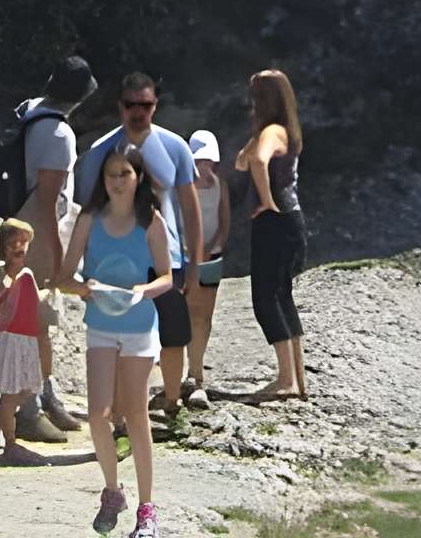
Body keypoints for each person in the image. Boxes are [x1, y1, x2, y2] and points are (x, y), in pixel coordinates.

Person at [72, 72, 205, 419]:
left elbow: (190, 209)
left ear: (155, 105)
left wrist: (194, 264)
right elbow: (88, 209)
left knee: (173, 333)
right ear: (121, 106)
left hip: (167, 255)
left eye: (145, 105)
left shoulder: (175, 147)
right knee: (119, 337)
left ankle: (172, 403)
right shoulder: (101, 152)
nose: (138, 112)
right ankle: (119, 415)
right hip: (116, 259)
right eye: (131, 105)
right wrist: (82, 269)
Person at [60, 138, 175, 535]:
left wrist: (143, 290)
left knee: (137, 414)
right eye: (111, 174)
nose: (117, 181)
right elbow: (63, 277)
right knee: (98, 414)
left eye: (125, 173)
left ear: (138, 176)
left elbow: (167, 277)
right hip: (101, 324)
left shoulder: (151, 221)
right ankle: (112, 491)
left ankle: (147, 509)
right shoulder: (90, 219)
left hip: (139, 326)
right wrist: (83, 288)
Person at [14, 56, 95, 440]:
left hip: (23, 218)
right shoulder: (60, 135)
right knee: (32, 321)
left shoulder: (32, 109)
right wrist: (59, 257)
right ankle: (27, 409)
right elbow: (48, 199)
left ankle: (46, 395)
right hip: (40, 228)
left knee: (40, 321)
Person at [231, 67, 307, 405]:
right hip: (291, 219)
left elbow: (257, 162)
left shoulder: (271, 131)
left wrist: (265, 201)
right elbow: (241, 162)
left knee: (265, 298)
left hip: (274, 220)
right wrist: (253, 142)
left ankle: (285, 380)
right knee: (282, 295)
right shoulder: (282, 131)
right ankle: (297, 379)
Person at [0, 219, 45, 460]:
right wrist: (5, 288)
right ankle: (10, 442)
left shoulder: (29, 272)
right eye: (14, 242)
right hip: (11, 339)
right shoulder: (1, 273)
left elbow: (33, 301)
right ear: (3, 247)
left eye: (24, 242)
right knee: (11, 393)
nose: (20, 247)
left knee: (24, 390)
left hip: (28, 338)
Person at [181, 129, 228, 406]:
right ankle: (181, 375)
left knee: (203, 317)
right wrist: (191, 247)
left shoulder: (220, 185)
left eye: (208, 160)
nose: (204, 165)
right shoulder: (182, 185)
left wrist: (210, 246)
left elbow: (225, 220)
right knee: (185, 314)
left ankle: (196, 375)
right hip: (185, 256)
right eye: (199, 160)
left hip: (211, 257)